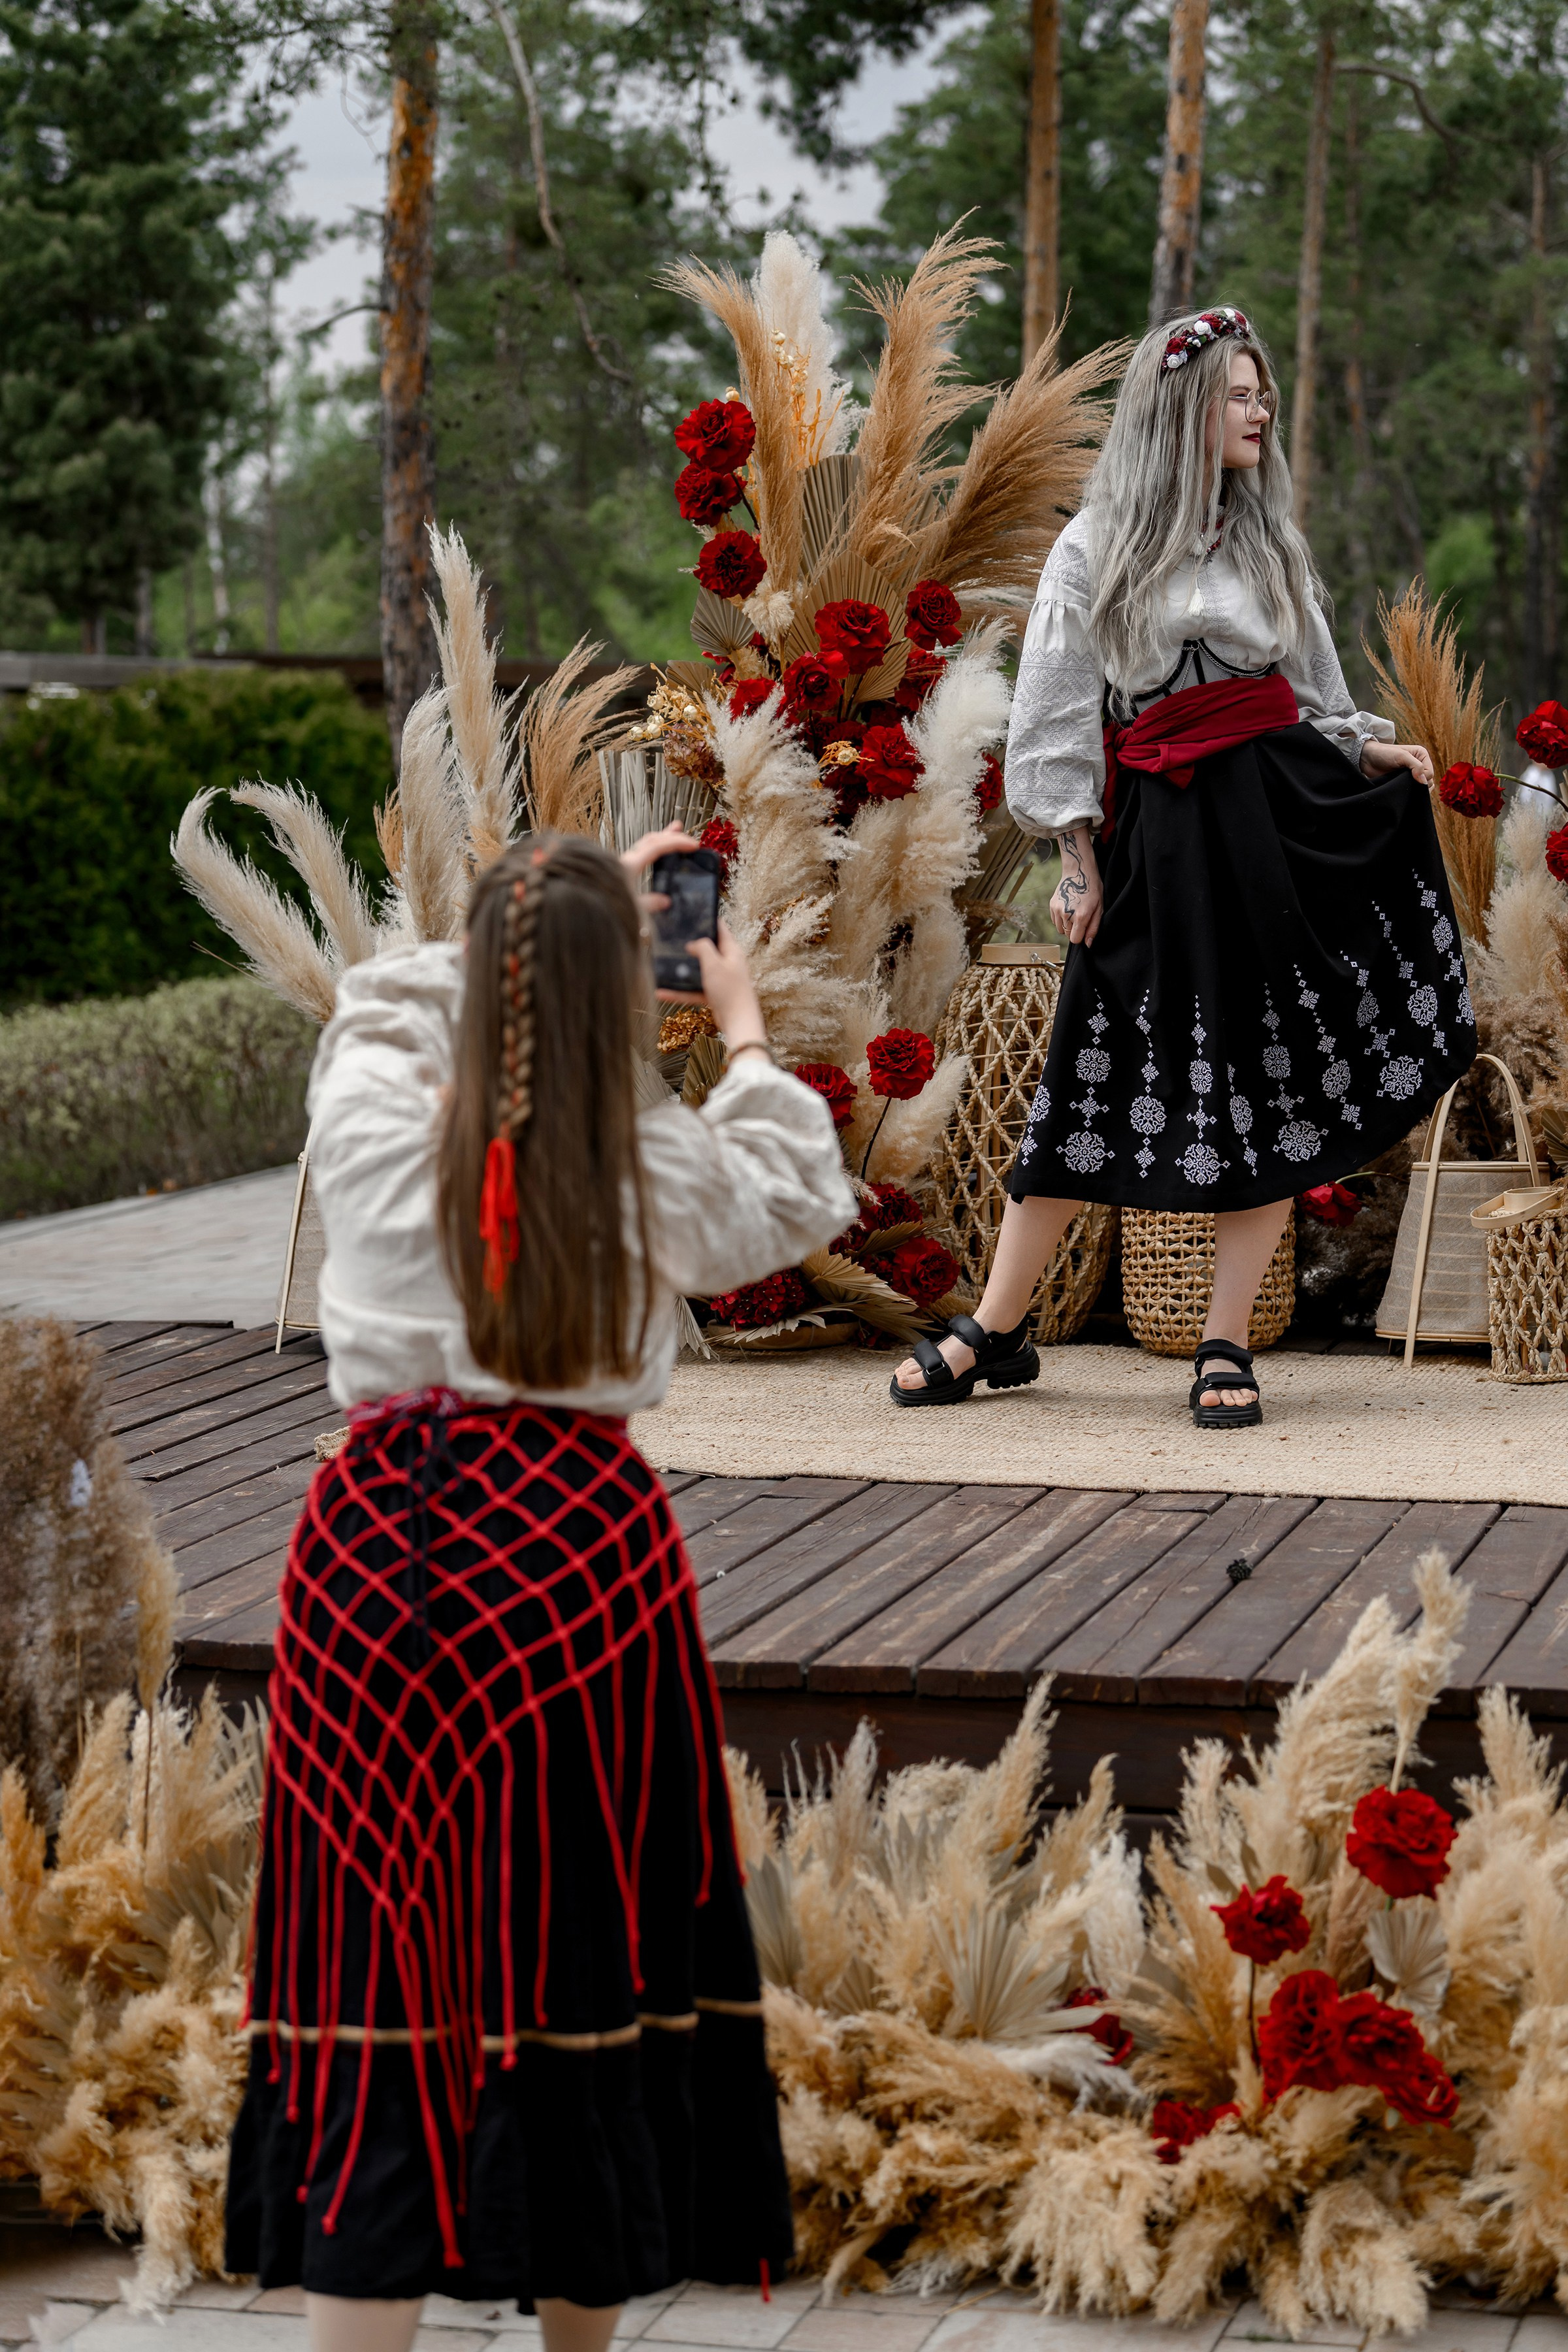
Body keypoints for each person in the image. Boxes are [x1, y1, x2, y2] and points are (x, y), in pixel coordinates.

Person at [225, 826, 857, 2352]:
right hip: (579, 1561)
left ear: (482, 972)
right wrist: (744, 1021)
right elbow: (801, 1189)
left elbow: (376, 1008)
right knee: (579, 1937)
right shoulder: (647, 1160)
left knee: (381, 1947)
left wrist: (533, 921)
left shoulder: (376, 1114)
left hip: (375, 1547)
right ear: (610, 1001)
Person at [892, 305, 1473, 1426]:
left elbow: (1307, 693)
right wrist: (1074, 856)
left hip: (1276, 821)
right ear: (1183, 411)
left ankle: (1225, 1343)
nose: (1261, 411)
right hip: (1154, 835)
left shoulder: (1269, 542)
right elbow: (1060, 708)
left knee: (1259, 1075)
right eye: (1240, 394)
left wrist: (1367, 748)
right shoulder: (1094, 545)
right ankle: (998, 1329)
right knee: (1089, 1070)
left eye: (1263, 393)